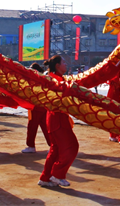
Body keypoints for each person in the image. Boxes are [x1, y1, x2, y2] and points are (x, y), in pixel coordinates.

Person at [39, 55, 79, 187]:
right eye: (64, 62)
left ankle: (45, 177)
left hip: (55, 119)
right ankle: (57, 174)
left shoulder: (57, 78)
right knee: (71, 146)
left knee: (55, 150)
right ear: (57, 65)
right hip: (58, 119)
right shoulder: (54, 80)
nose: (66, 65)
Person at [22, 63, 50, 153]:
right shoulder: (42, 79)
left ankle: (31, 146)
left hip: (36, 106)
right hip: (43, 106)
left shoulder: (36, 80)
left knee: (32, 126)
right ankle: (53, 144)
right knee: (45, 127)